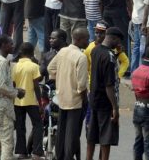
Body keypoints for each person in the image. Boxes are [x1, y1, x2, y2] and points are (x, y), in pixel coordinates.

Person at [47, 27, 89, 160]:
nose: (88, 41)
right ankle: (68, 157)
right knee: (72, 133)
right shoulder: (81, 57)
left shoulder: (62, 52)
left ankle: (60, 155)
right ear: (80, 39)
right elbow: (82, 85)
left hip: (61, 96)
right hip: (75, 100)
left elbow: (50, 68)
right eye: (87, 39)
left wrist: (61, 78)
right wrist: (85, 100)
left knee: (62, 130)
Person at [86, 27, 122, 160]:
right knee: (106, 138)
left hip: (94, 99)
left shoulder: (96, 50)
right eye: (118, 41)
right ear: (113, 38)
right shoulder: (109, 57)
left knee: (92, 135)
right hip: (106, 102)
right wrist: (115, 107)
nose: (118, 44)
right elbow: (109, 85)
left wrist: (117, 53)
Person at [0, 34, 22, 160]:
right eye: (10, 44)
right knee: (7, 145)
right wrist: (16, 92)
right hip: (3, 109)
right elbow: (0, 86)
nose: (13, 46)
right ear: (3, 45)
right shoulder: (2, 62)